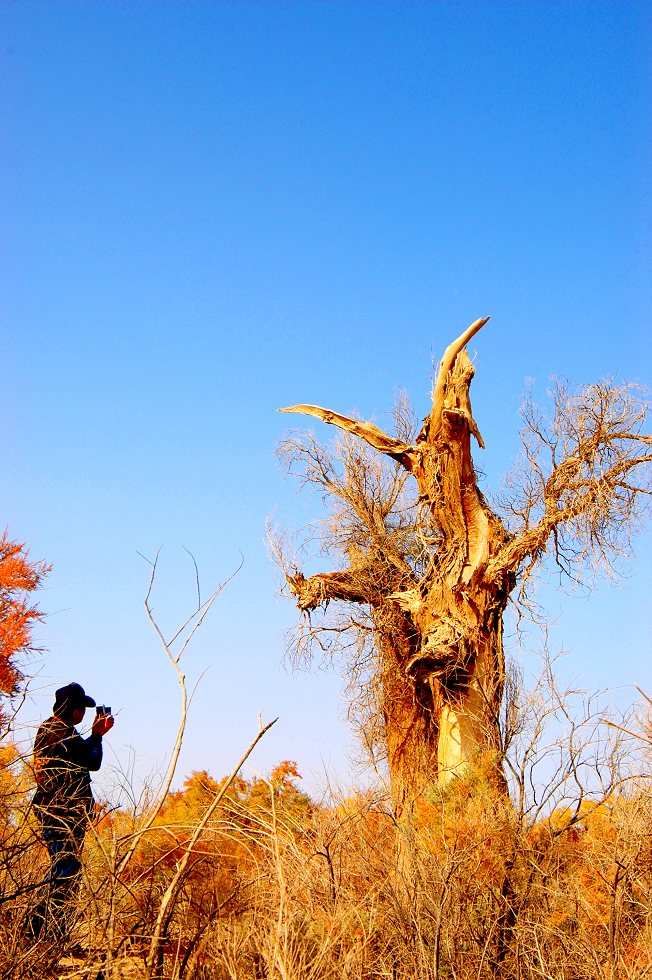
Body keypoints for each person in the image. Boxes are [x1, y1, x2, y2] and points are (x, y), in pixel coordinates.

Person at [29, 682, 114, 944]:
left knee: (65, 867)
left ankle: (48, 932)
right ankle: (39, 930)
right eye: (82, 710)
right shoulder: (61, 734)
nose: (85, 714)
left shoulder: (54, 730)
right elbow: (92, 761)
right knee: (66, 868)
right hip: (61, 813)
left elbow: (81, 757)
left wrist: (93, 737)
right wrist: (97, 735)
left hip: (61, 812)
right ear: (75, 711)